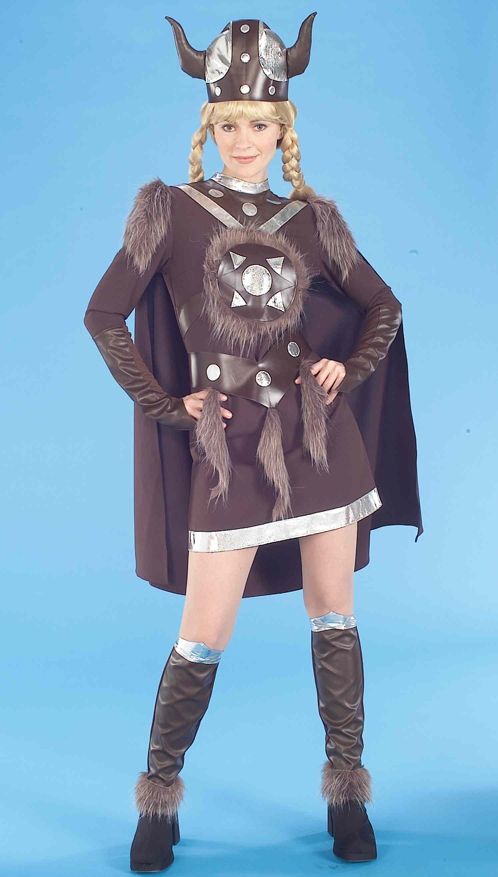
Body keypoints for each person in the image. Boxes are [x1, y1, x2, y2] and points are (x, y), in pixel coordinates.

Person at [83, 12, 423, 871]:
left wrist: (350, 364)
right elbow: (103, 314)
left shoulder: (311, 218)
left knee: (334, 614)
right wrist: (168, 405)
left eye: (260, 124)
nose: (244, 139)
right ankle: (159, 796)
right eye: (229, 123)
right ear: (210, 124)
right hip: (228, 451)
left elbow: (384, 306)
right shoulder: (170, 212)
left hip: (319, 445)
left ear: (283, 130)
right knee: (204, 630)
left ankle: (347, 792)